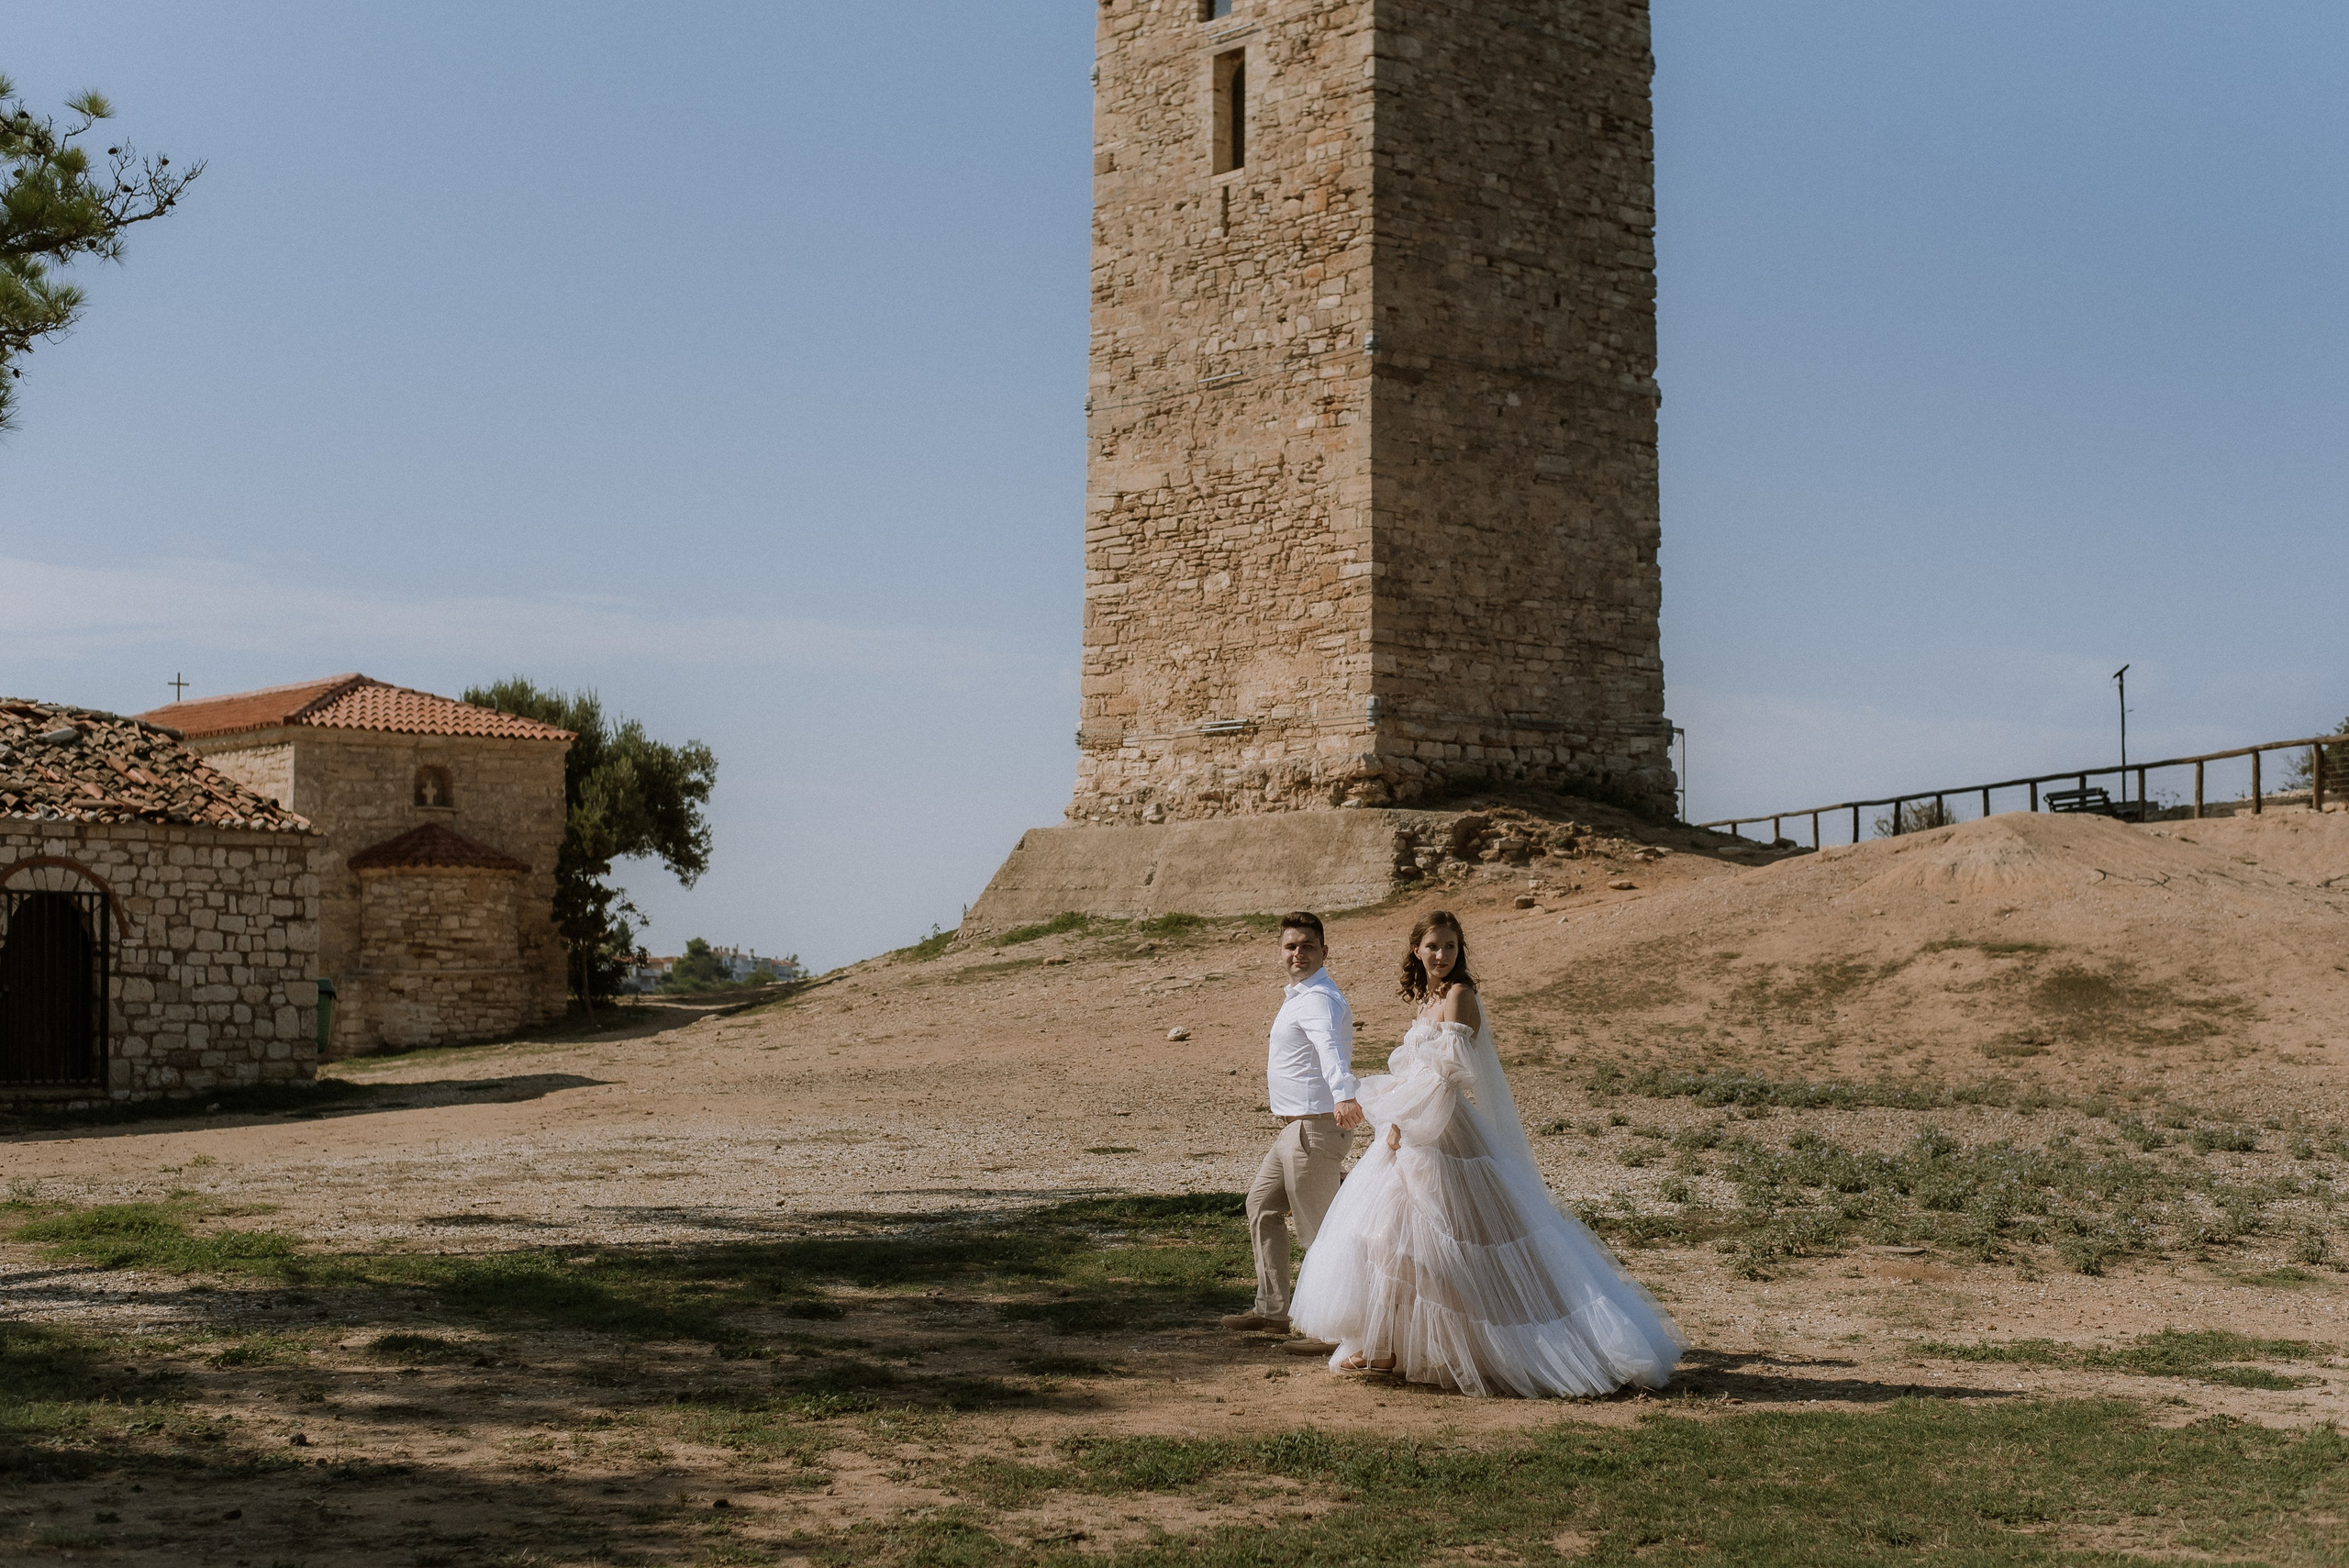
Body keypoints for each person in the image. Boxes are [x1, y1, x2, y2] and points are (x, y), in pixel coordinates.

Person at [1288, 910, 1686, 1396]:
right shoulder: (1428, 1000)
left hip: (1442, 1132)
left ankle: (1503, 1344)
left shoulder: (1460, 996)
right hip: (1411, 1130)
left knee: (1448, 1242)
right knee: (1386, 1236)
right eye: (1433, 946)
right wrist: (1394, 1121)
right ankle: (1387, 1342)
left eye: (1451, 947)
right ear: (1417, 950)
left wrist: (1402, 1122)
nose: (1442, 955)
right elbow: (1418, 1073)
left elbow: (1446, 1077)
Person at [1220, 910, 1364, 1334]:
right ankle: (1272, 1309)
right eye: (1291, 946)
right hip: (1294, 1129)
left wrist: (1343, 1094)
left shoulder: (1318, 998)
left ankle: (1338, 1328)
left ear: (1324, 951)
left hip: (1317, 1127)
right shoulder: (1301, 996)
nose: (1298, 953)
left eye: (1307, 946)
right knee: (1262, 1206)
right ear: (1280, 951)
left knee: (1318, 1231)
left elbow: (1329, 1048)